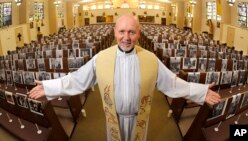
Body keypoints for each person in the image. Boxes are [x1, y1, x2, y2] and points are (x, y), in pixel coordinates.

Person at [28, 15, 221, 141]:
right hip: (113, 118)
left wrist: (200, 92)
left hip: (140, 119)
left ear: (139, 33)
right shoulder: (101, 58)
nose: (126, 37)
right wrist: (49, 87)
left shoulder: (150, 59)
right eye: (121, 31)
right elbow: (77, 80)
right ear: (115, 32)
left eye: (131, 32)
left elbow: (172, 83)